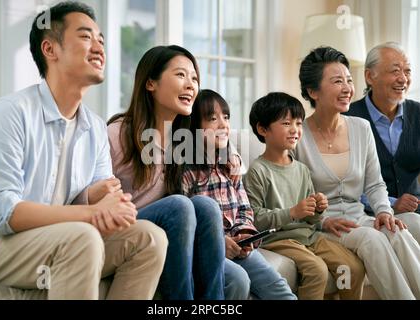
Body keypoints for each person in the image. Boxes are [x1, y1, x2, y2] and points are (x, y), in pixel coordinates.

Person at [0, 2, 167, 300]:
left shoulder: (95, 128)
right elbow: (2, 213)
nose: (99, 47)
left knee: (149, 237)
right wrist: (91, 212)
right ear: (50, 49)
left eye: (101, 39)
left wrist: (103, 198)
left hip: (52, 238)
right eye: (86, 36)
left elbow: (94, 198)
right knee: (82, 237)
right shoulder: (11, 113)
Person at [295, 46, 420, 300]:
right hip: (325, 227)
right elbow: (293, 197)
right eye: (337, 81)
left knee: (397, 231)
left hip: (358, 217)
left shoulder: (361, 128)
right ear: (313, 91)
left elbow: (374, 185)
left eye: (349, 81)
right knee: (372, 240)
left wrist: (385, 211)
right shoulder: (297, 136)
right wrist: (322, 221)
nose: (347, 88)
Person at [107, 46, 225, 300]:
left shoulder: (182, 141)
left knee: (206, 206)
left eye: (194, 78)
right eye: (181, 75)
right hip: (125, 231)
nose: (191, 85)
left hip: (168, 229)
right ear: (151, 83)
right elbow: (96, 199)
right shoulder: (117, 134)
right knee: (179, 205)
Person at [243, 92, 365, 300]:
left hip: (309, 236)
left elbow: (312, 220)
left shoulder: (301, 169)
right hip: (278, 239)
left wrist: (317, 209)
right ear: (263, 129)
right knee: (316, 270)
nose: (295, 130)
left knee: (352, 267)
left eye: (299, 124)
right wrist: (292, 212)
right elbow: (254, 218)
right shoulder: (257, 171)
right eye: (286, 123)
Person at [180, 89, 296, 300]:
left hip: (239, 246)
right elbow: (186, 222)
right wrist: (220, 242)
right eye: (213, 119)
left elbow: (244, 207)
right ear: (193, 127)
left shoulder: (231, 162)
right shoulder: (186, 171)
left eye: (226, 117)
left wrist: (245, 234)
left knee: (279, 288)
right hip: (210, 249)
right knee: (238, 281)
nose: (223, 124)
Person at [345, 42, 420, 239]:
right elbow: (343, 185)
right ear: (370, 76)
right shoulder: (349, 118)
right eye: (395, 71)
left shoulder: (418, 113)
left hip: (415, 210)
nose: (403, 79)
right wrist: (391, 202)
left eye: (407, 71)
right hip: (369, 214)